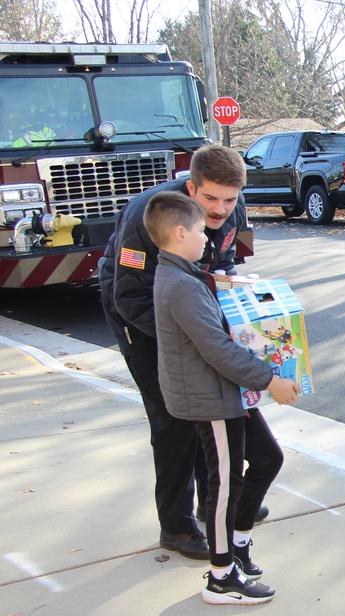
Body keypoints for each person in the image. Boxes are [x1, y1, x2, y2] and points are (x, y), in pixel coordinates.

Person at [98, 144, 266, 561]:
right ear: (192, 188)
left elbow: (222, 263)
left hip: (191, 309)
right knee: (174, 417)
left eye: (230, 199)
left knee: (204, 408)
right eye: (210, 198)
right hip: (139, 315)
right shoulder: (148, 215)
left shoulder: (233, 208)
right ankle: (175, 525)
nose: (220, 209)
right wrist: (188, 341)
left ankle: (213, 504)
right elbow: (129, 296)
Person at [145, 191, 299, 604]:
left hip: (224, 391)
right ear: (180, 232)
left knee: (268, 457)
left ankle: (239, 542)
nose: (206, 238)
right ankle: (221, 577)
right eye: (199, 230)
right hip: (212, 398)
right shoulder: (180, 284)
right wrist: (270, 380)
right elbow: (215, 347)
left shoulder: (185, 274)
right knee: (224, 486)